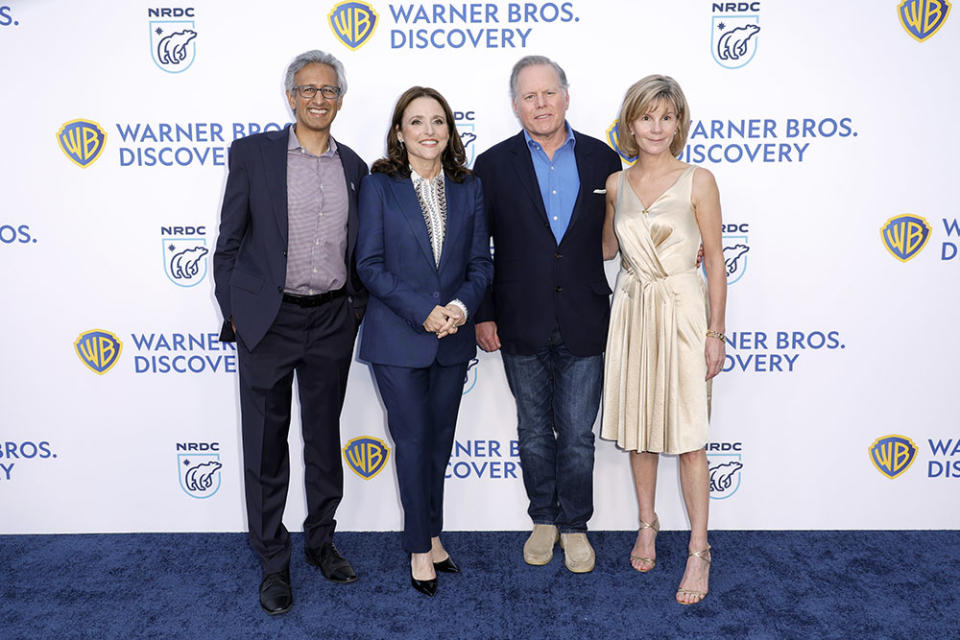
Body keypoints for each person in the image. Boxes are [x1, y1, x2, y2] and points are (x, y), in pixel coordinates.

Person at [213, 50, 368, 616]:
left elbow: (360, 248)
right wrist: (234, 309)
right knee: (264, 446)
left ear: (340, 100)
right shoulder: (253, 154)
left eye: (328, 90)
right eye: (308, 90)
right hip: (267, 322)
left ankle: (321, 543)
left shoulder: (354, 166)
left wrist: (354, 309)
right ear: (290, 97)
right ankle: (272, 561)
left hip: (331, 319)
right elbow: (229, 241)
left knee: (325, 442)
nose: (319, 99)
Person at [473, 56, 621, 573]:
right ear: (515, 105)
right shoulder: (491, 165)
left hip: (585, 314)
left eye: (549, 92)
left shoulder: (605, 158)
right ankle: (544, 519)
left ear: (566, 96)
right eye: (529, 96)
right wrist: (483, 314)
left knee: (578, 434)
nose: (541, 103)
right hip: (519, 317)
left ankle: (576, 524)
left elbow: (625, 231)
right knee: (534, 430)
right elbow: (477, 249)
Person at [356, 86, 493, 596]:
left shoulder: (468, 186)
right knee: (412, 443)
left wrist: (458, 308)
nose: (429, 131)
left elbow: (480, 262)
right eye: (417, 122)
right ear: (399, 132)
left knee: (438, 445)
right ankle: (418, 546)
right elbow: (368, 265)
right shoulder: (379, 186)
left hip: (453, 339)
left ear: (450, 131)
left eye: (438, 121)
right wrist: (423, 311)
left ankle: (433, 534)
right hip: (398, 339)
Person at [600, 74, 727, 605]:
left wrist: (715, 332)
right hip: (632, 308)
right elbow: (608, 251)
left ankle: (699, 549)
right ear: (630, 122)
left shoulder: (699, 180)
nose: (656, 127)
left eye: (666, 116)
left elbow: (716, 260)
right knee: (639, 429)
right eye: (646, 116)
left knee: (691, 438)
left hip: (681, 313)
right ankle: (647, 522)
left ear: (679, 123)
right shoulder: (614, 183)